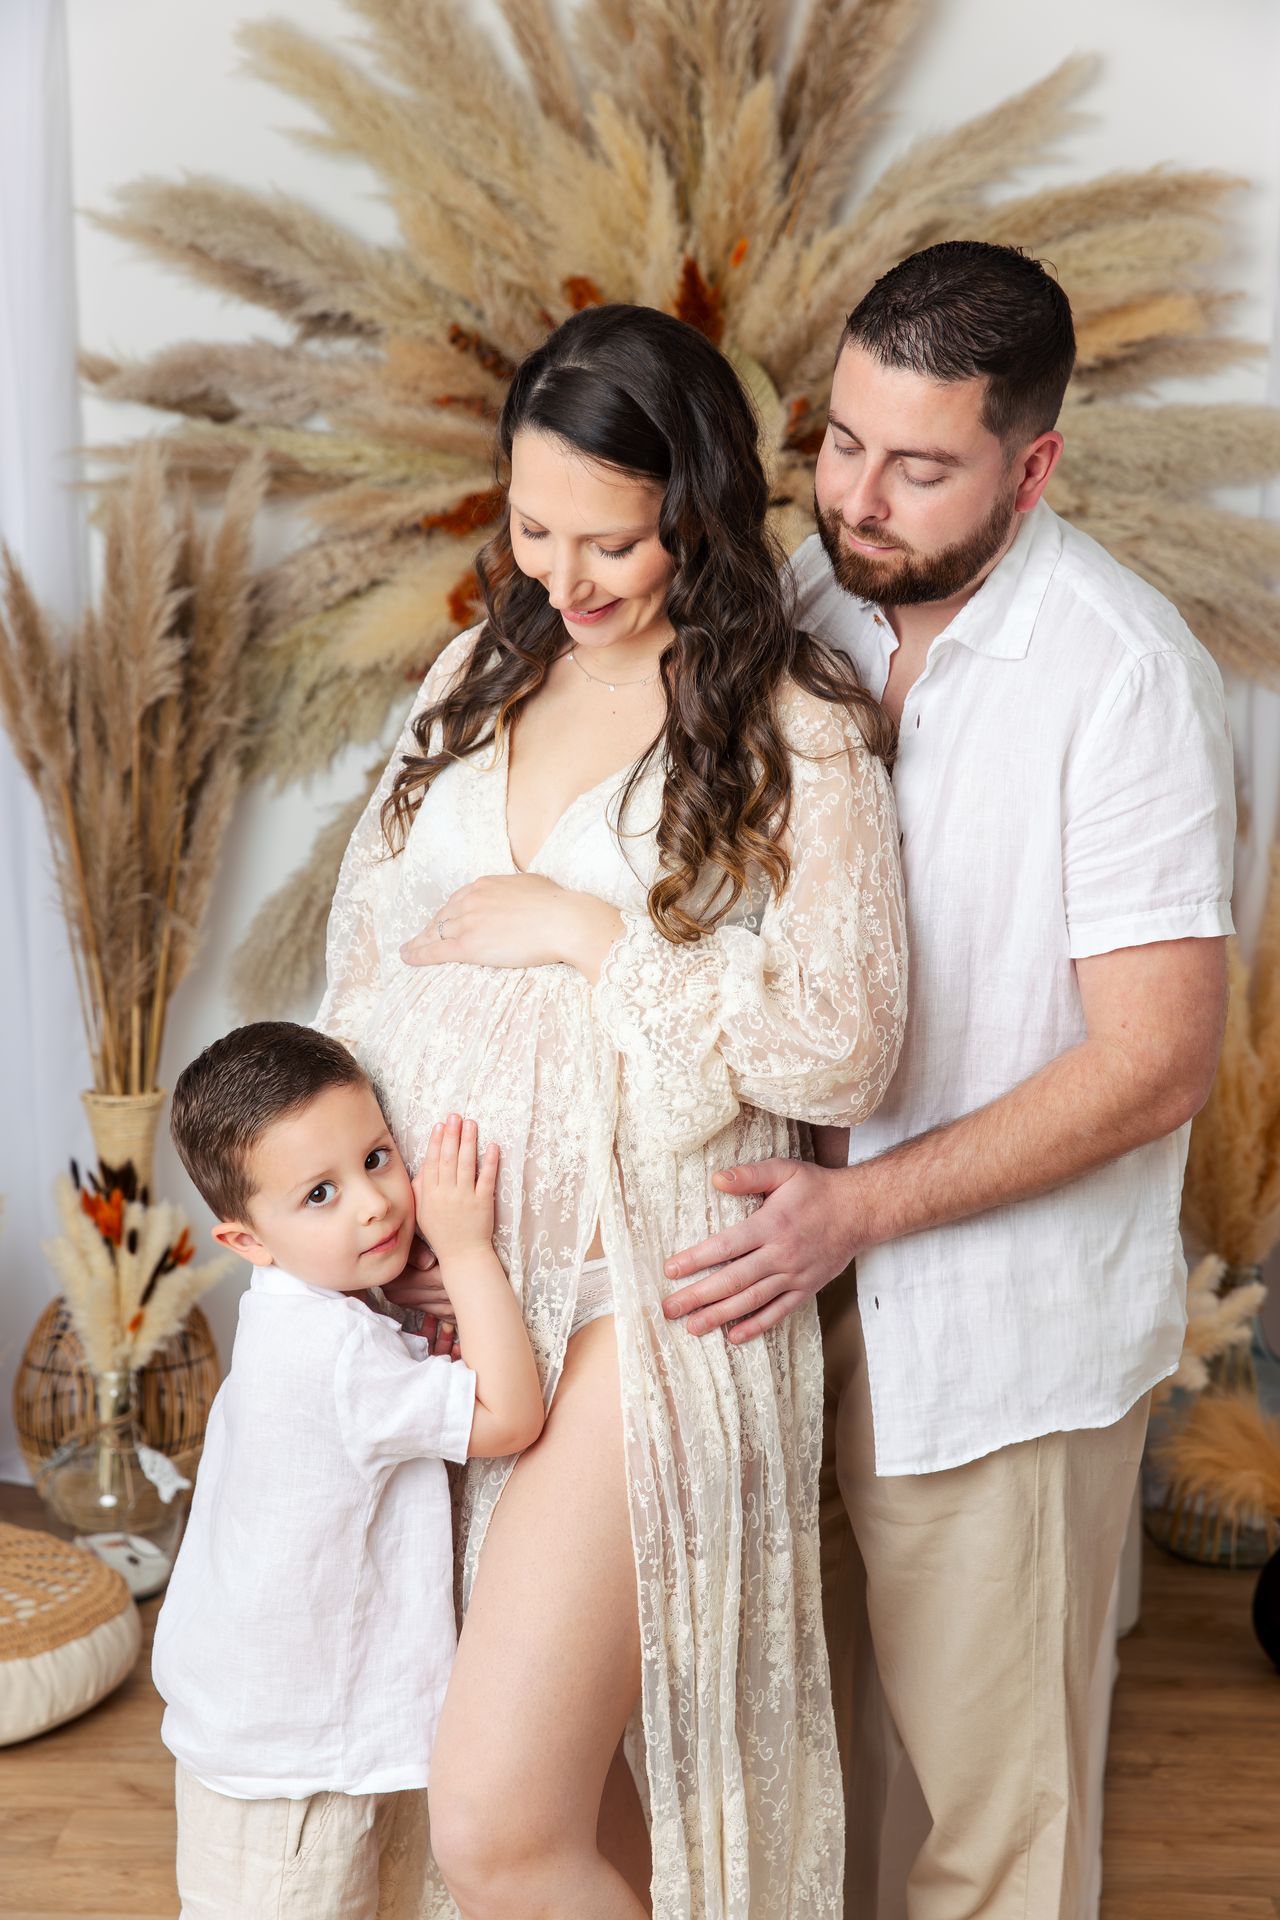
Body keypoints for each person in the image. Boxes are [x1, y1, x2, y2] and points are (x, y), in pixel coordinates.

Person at [661, 241, 1236, 1918]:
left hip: (999, 1339)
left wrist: (858, 1211)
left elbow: (1156, 1062)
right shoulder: (806, 593)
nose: (859, 496)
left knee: (991, 1844)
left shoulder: (1123, 676)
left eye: (920, 466)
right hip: (784, 1297)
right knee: (812, 1806)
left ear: (1032, 467)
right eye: (842, 441)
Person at [313, 301, 908, 1919]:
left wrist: (593, 933)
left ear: (697, 513)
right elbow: (359, 959)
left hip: (643, 1309)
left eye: (611, 542)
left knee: (496, 1819)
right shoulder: (476, 669)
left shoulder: (791, 726)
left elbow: (845, 1046)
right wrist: (385, 1237)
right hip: (458, 1294)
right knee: (578, 1812)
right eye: (532, 530)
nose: (563, 580)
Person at [153, 1021, 543, 1920]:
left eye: (376, 1158)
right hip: (299, 1767)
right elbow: (512, 1417)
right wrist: (467, 1249)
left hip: (269, 1732)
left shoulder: (291, 1313)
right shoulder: (334, 1354)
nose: (373, 1204)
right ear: (248, 1240)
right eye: (320, 1194)